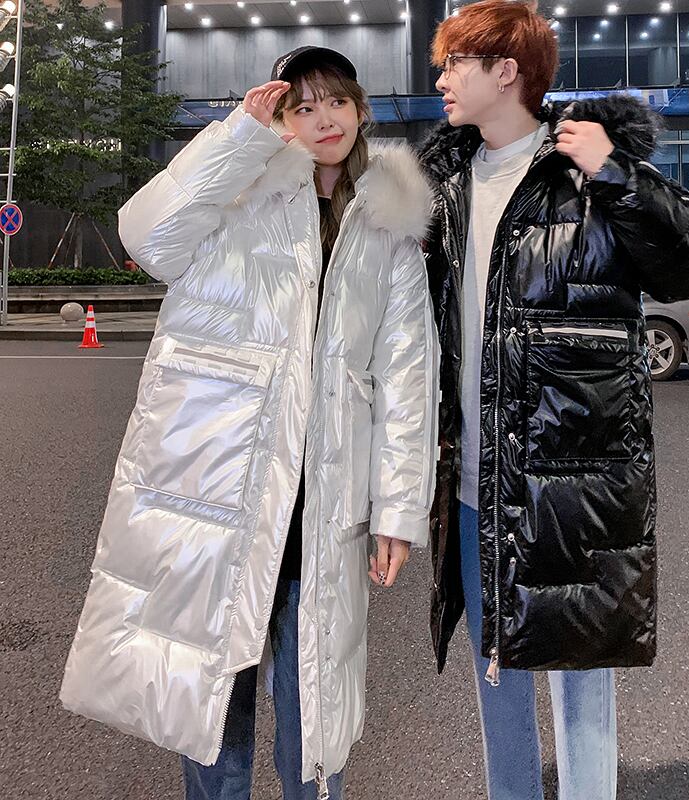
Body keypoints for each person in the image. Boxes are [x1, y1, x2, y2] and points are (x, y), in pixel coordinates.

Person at [59, 46, 439, 800]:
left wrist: (398, 508)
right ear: (281, 120)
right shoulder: (238, 193)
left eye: (337, 101)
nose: (324, 119)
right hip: (221, 492)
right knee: (211, 703)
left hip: (321, 503)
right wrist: (238, 137)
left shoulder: (389, 227)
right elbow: (147, 239)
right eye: (303, 106)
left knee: (312, 710)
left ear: (361, 110)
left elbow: (407, 376)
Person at [418, 2, 689, 799]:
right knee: (495, 677)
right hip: (477, 482)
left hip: (577, 486)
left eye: (455, 63)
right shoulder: (444, 186)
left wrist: (616, 172)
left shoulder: (583, 169)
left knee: (583, 690)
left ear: (506, 72)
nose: (440, 78)